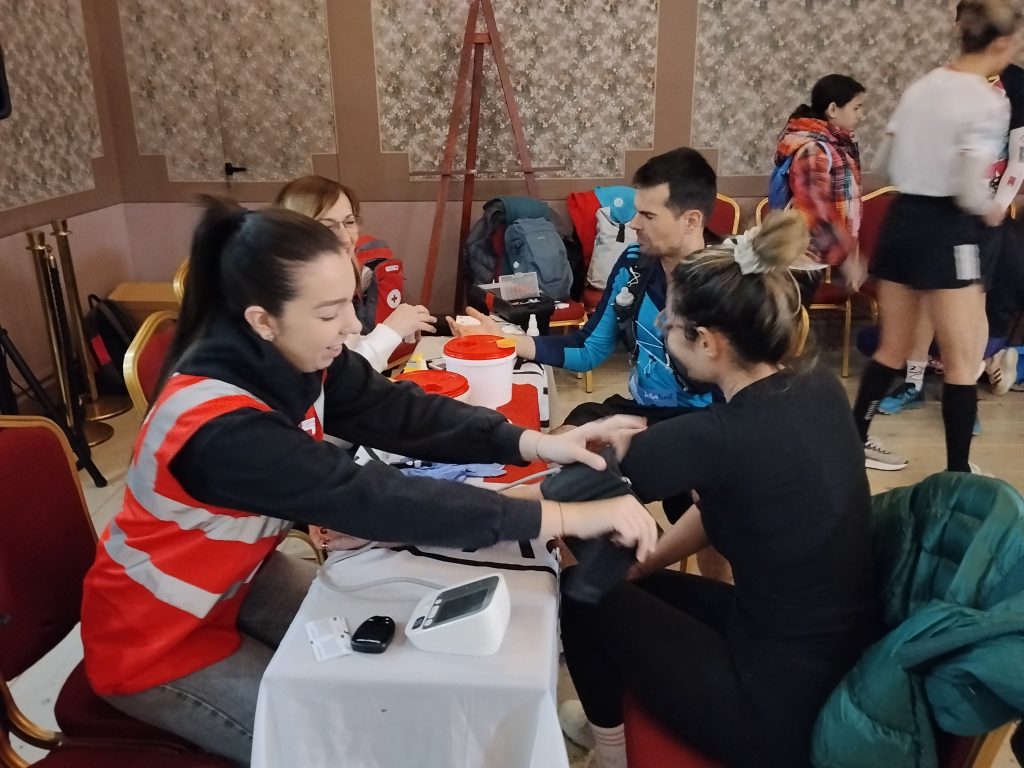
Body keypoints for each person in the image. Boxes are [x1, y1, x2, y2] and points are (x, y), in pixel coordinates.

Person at [79, 197, 658, 767]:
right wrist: (563, 515)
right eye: (329, 312)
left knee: (386, 665)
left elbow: (400, 412)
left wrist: (533, 443)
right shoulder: (220, 430)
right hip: (155, 638)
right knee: (330, 740)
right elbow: (376, 500)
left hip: (235, 583)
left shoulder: (292, 355)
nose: (353, 325)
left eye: (349, 302)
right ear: (262, 319)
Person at [557, 211, 880, 768]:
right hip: (827, 662)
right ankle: (609, 730)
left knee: (578, 591)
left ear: (707, 343)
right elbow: (724, 507)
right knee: (624, 586)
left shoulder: (722, 436)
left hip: (775, 710)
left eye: (671, 322)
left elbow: (561, 492)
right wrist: (645, 564)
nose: (662, 329)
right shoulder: (818, 388)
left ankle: (612, 753)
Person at [449, 148, 717, 520]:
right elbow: (588, 347)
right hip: (642, 412)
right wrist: (505, 341)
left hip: (705, 423)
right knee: (560, 446)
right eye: (636, 211)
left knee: (707, 517)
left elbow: (747, 389)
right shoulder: (634, 266)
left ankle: (486, 509)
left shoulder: (729, 284)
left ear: (691, 220)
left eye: (648, 215)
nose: (634, 223)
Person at [850, 0, 1020, 473]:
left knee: (893, 347)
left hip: (901, 220)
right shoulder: (988, 100)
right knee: (963, 359)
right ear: (1004, 43)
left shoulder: (922, 87)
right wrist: (988, 209)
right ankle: (958, 472)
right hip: (949, 228)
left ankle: (852, 442)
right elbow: (968, 186)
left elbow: (884, 164)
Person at [273, 175, 435, 372]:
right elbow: (335, 379)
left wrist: (399, 329)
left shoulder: (343, 273)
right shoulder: (289, 292)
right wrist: (390, 332)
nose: (345, 238)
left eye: (349, 222)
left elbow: (347, 352)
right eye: (327, 226)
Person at [774, 74, 867, 304]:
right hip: (803, 257)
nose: (861, 115)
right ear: (833, 109)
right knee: (794, 317)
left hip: (818, 255)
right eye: (856, 108)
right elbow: (815, 209)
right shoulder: (814, 149)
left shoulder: (834, 146)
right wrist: (848, 256)